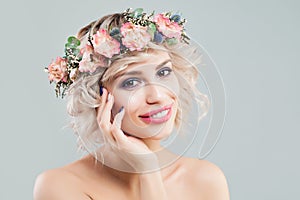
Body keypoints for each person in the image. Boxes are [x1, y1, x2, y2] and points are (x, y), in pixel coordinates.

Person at [34, 8, 230, 200]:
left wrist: (148, 170)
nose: (157, 96)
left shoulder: (205, 180)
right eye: (131, 83)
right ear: (97, 96)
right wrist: (149, 169)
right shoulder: (61, 185)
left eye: (163, 73)